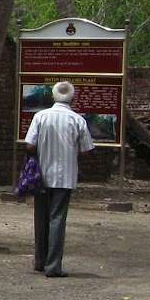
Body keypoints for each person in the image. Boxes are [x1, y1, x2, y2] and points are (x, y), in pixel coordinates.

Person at [24, 80, 94, 277]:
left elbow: (29, 144)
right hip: (65, 176)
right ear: (72, 98)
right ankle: (53, 266)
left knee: (41, 217)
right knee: (57, 219)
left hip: (41, 175)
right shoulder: (77, 120)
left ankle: (39, 261)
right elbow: (86, 149)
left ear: (53, 96)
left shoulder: (40, 116)